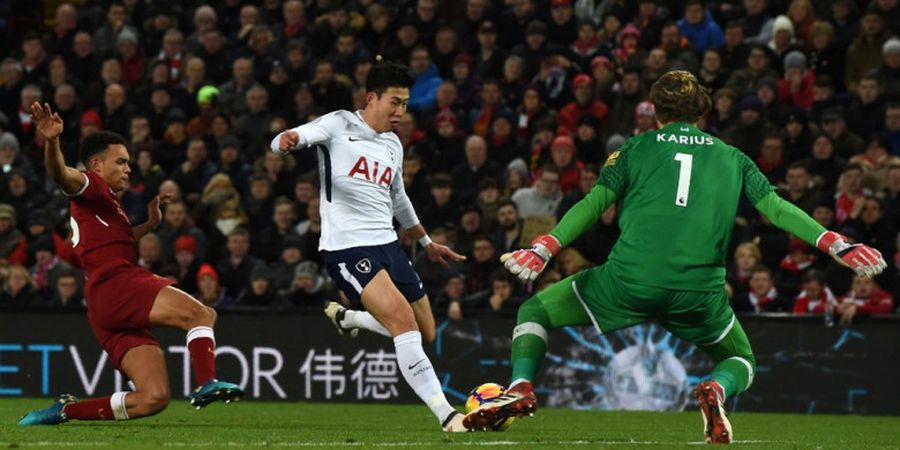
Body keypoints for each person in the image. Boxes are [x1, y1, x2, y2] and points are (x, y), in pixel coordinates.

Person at [463, 71, 887, 443]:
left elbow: (594, 204)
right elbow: (777, 210)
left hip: (629, 281)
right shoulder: (735, 157)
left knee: (535, 310)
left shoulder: (633, 149)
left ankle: (520, 386)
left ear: (655, 110)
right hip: (698, 290)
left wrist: (545, 246)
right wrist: (837, 243)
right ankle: (716, 391)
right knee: (741, 361)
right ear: (702, 111)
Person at [269, 62, 470, 432]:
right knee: (403, 324)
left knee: (425, 332)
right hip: (348, 248)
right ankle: (448, 415)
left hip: (390, 246)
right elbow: (291, 136)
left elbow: (399, 198)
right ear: (372, 98)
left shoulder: (393, 144)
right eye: (395, 102)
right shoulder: (339, 123)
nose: (401, 112)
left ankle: (352, 319)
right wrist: (287, 141)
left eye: (406, 104)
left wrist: (426, 242)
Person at [18, 102, 242, 426]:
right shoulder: (91, 186)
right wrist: (52, 141)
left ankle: (64, 411)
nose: (128, 169)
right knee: (201, 314)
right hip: (117, 283)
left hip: (103, 302)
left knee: (152, 399)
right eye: (121, 161)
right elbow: (61, 175)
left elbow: (114, 243)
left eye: (129, 163)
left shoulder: (109, 204)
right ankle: (207, 382)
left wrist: (148, 225)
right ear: (96, 165)